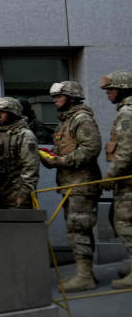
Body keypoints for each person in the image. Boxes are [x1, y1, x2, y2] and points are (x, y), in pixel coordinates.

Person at [39, 81, 102, 292]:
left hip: (81, 185)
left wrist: (61, 161)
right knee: (77, 229)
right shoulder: (66, 122)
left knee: (78, 229)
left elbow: (91, 149)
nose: (55, 100)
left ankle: (85, 276)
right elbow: (68, 151)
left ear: (72, 98)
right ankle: (85, 273)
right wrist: (52, 158)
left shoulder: (81, 120)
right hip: (71, 186)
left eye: (59, 96)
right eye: (54, 97)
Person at [100, 71, 132, 289]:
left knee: (125, 224)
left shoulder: (127, 113)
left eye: (111, 89)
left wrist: (111, 174)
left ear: (122, 89)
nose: (108, 94)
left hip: (128, 181)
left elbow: (127, 149)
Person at [0, 97, 39, 210]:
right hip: (2, 195)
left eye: (2, 112)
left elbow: (30, 170)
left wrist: (24, 197)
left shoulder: (25, 135)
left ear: (13, 113)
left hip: (18, 197)